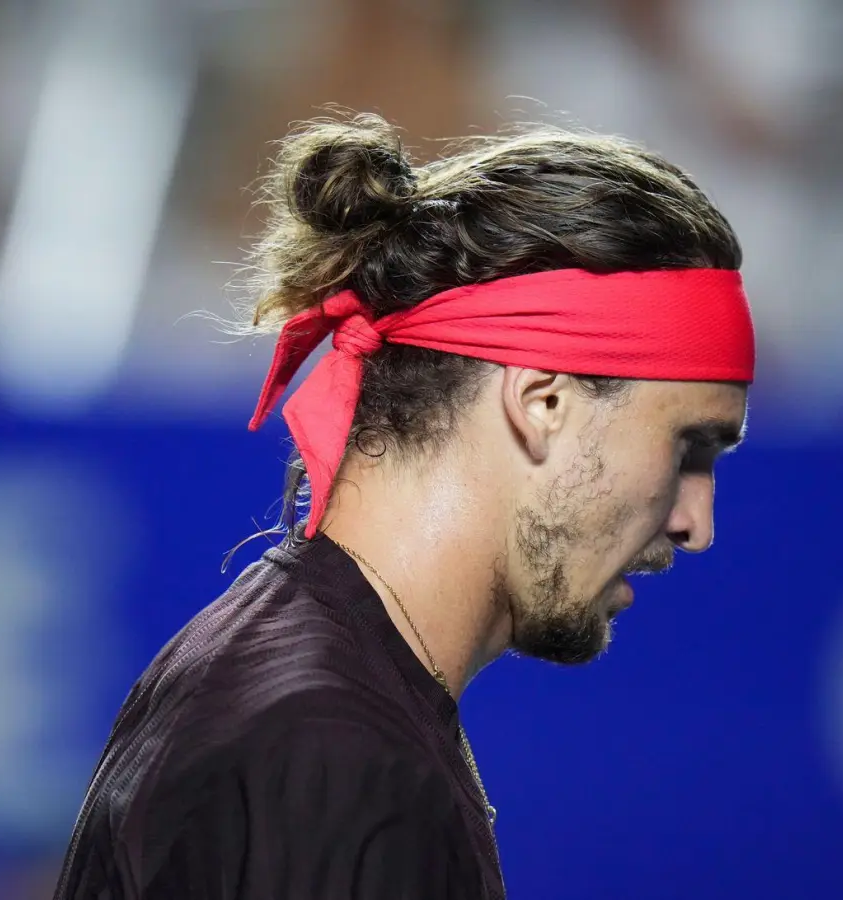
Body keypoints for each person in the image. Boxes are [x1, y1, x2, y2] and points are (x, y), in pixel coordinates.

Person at [54, 112, 754, 900]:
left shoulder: (299, 691)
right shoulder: (335, 757)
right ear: (544, 403)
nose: (697, 523)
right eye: (688, 447)